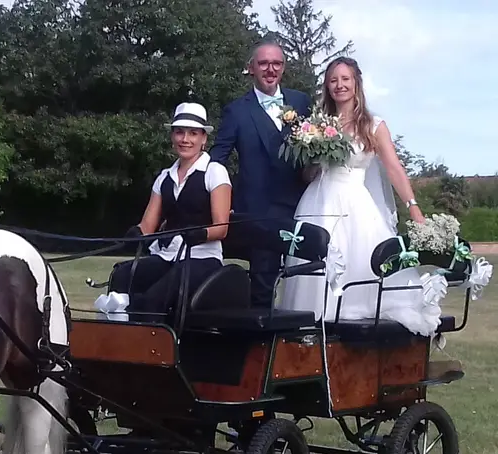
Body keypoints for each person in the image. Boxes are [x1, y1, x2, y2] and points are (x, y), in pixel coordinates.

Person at [277, 56, 445, 336]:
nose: (339, 85)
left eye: (345, 79)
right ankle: (313, 330)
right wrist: (313, 156)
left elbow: (393, 167)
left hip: (354, 202)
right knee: (314, 267)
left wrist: (413, 207)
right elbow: (308, 174)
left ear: (356, 84)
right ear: (327, 86)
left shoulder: (373, 125)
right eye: (333, 80)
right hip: (317, 202)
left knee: (358, 261)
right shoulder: (318, 125)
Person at [95, 102, 231, 320]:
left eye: (193, 133)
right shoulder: (164, 177)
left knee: (158, 294)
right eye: (179, 132)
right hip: (166, 255)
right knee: (122, 275)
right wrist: (136, 234)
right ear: (172, 136)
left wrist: (199, 234)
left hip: (202, 257)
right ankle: (118, 323)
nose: (185, 139)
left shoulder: (215, 172)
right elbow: (147, 226)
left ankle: (124, 310)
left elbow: (222, 227)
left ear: (203, 138)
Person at [209, 40, 313, 307]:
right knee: (263, 284)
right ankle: (261, 345)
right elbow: (217, 159)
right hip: (258, 212)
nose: (270, 69)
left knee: (306, 280)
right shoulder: (237, 111)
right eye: (264, 63)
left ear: (284, 67)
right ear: (251, 68)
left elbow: (315, 150)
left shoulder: (301, 102)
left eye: (276, 63)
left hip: (301, 206)